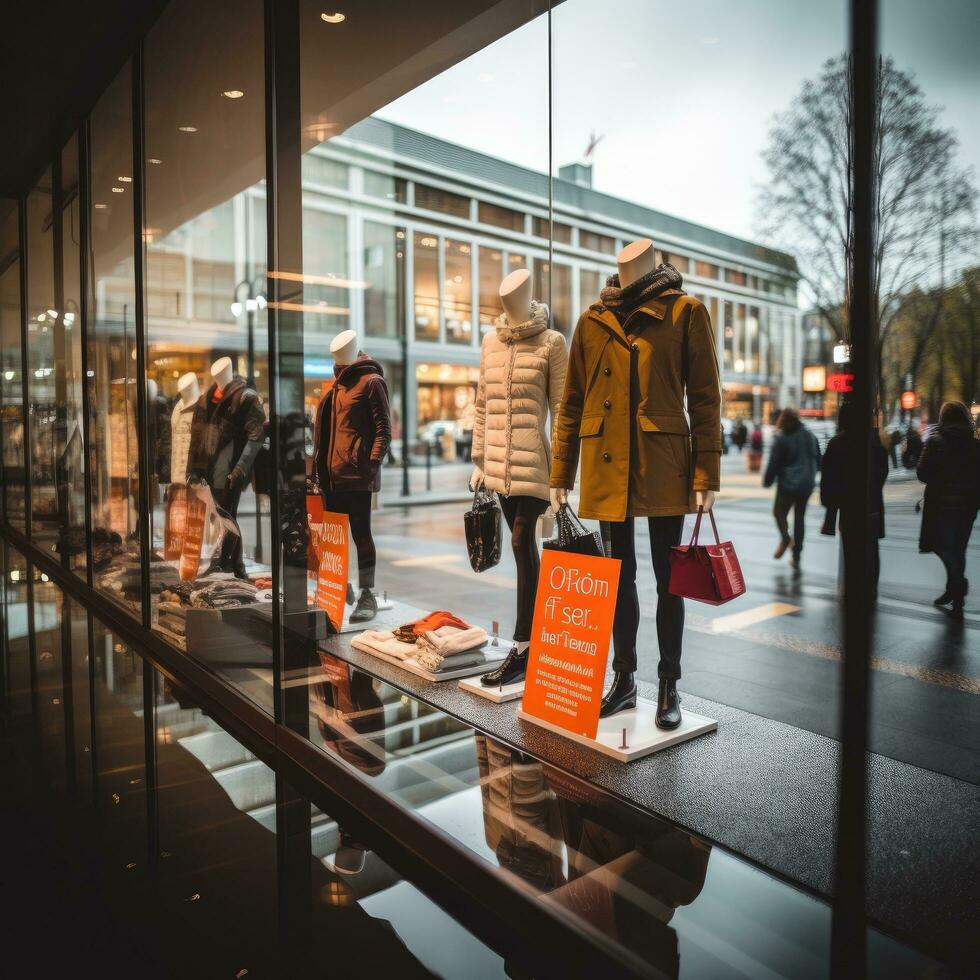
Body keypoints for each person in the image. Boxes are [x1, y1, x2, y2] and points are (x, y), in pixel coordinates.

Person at [916, 401, 980, 619]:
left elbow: (922, 473)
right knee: (958, 548)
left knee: (942, 547)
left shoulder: (936, 441)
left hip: (943, 504)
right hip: (968, 506)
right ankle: (954, 592)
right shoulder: (975, 444)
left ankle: (958, 584)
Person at [819, 401, 889, 596]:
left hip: (848, 505)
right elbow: (882, 472)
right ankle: (871, 585)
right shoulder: (873, 442)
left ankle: (853, 585)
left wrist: (830, 502)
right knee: (872, 547)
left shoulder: (837, 443)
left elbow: (828, 477)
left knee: (850, 548)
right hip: (871, 505)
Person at [763, 408, 821, 569]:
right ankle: (797, 555)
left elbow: (774, 463)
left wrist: (768, 481)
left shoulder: (782, 438)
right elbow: (819, 460)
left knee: (778, 513)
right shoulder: (811, 436)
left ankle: (785, 538)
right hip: (807, 485)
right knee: (800, 518)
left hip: (788, 485)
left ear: (784, 420)